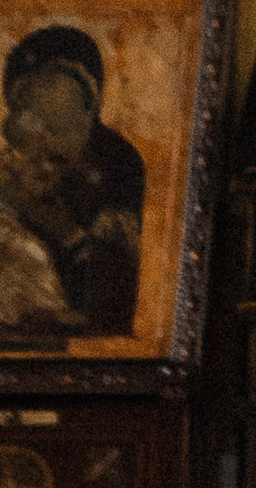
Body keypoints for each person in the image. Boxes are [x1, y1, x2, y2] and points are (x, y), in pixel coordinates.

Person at [0, 22, 147, 341]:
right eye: (30, 117)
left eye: (57, 127)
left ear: (89, 108)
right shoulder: (14, 167)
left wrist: (68, 235)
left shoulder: (118, 167)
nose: (43, 149)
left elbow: (110, 308)